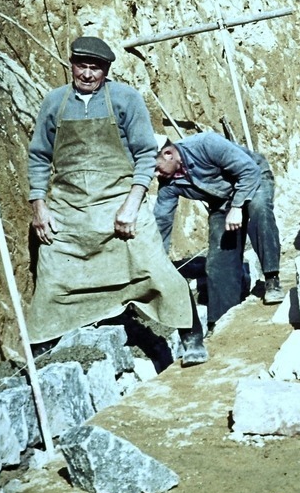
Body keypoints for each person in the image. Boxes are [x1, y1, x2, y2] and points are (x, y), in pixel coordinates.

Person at [26, 35, 204, 364]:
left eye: (95, 68)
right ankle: (43, 355)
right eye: (82, 66)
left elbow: (145, 155)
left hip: (120, 204)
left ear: (106, 70)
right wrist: (39, 205)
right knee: (52, 279)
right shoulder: (55, 102)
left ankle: (192, 337)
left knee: (156, 269)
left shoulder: (125, 98)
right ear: (71, 65)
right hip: (69, 211)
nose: (87, 74)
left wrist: (132, 204)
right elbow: (38, 157)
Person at [153, 131, 283, 337]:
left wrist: (237, 207)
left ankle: (272, 278)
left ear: (168, 154)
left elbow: (249, 171)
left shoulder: (206, 143)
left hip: (253, 179)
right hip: (222, 200)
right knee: (217, 260)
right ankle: (222, 320)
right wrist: (155, 264)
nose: (155, 175)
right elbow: (162, 221)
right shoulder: (168, 183)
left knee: (259, 209)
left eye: (156, 167)